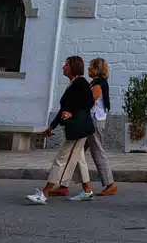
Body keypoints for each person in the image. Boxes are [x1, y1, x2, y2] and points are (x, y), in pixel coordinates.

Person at [26, 56, 95, 205]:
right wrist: (52, 126)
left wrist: (73, 113)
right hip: (73, 128)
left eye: (66, 65)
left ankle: (45, 193)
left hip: (78, 129)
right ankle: (87, 190)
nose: (63, 67)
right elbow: (64, 109)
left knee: (62, 159)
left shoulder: (81, 83)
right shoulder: (73, 84)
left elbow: (89, 102)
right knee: (78, 160)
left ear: (73, 68)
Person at [83, 57, 117, 196]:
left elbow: (89, 101)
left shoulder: (98, 85)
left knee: (97, 152)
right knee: (75, 151)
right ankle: (63, 182)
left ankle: (110, 183)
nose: (88, 69)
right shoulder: (97, 83)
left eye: (91, 66)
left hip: (94, 122)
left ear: (97, 69)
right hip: (92, 121)